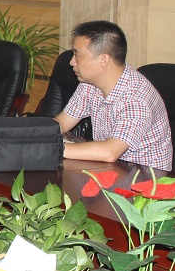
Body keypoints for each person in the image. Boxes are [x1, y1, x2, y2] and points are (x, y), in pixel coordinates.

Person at [55, 20, 172, 171]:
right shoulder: (89, 84)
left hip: (143, 179)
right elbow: (62, 123)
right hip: (107, 169)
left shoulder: (137, 98)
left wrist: (52, 149)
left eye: (77, 55)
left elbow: (110, 152)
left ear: (104, 59)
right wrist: (29, 137)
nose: (72, 62)